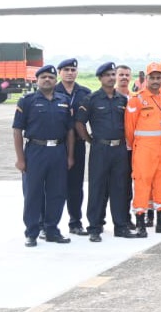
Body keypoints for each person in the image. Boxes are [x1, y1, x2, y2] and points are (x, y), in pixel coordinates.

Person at [74, 62, 138, 242]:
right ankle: (94, 227)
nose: (111, 77)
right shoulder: (91, 99)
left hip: (119, 149)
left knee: (120, 188)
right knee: (97, 188)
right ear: (100, 78)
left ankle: (121, 226)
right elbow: (79, 123)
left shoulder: (123, 100)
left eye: (113, 74)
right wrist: (90, 140)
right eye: (107, 75)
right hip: (100, 149)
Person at [14, 64, 75, 247]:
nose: (47, 79)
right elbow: (17, 131)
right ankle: (32, 232)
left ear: (56, 81)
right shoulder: (27, 101)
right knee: (33, 193)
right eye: (43, 77)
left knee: (57, 193)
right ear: (37, 80)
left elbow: (70, 131)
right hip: (35, 151)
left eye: (50, 77)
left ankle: (51, 230)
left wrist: (70, 156)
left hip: (58, 151)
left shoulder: (64, 101)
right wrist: (20, 159)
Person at [125, 62, 161, 237]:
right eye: (152, 78)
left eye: (158, 77)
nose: (155, 81)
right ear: (146, 79)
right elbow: (130, 129)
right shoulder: (137, 99)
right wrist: (136, 146)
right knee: (142, 182)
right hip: (144, 148)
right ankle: (140, 222)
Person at [55, 58, 92, 236]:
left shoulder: (85, 93)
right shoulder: (51, 91)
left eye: (73, 69)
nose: (70, 72)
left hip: (77, 145)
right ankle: (47, 224)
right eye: (66, 69)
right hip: (56, 146)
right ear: (59, 72)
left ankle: (75, 222)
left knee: (75, 186)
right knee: (53, 186)